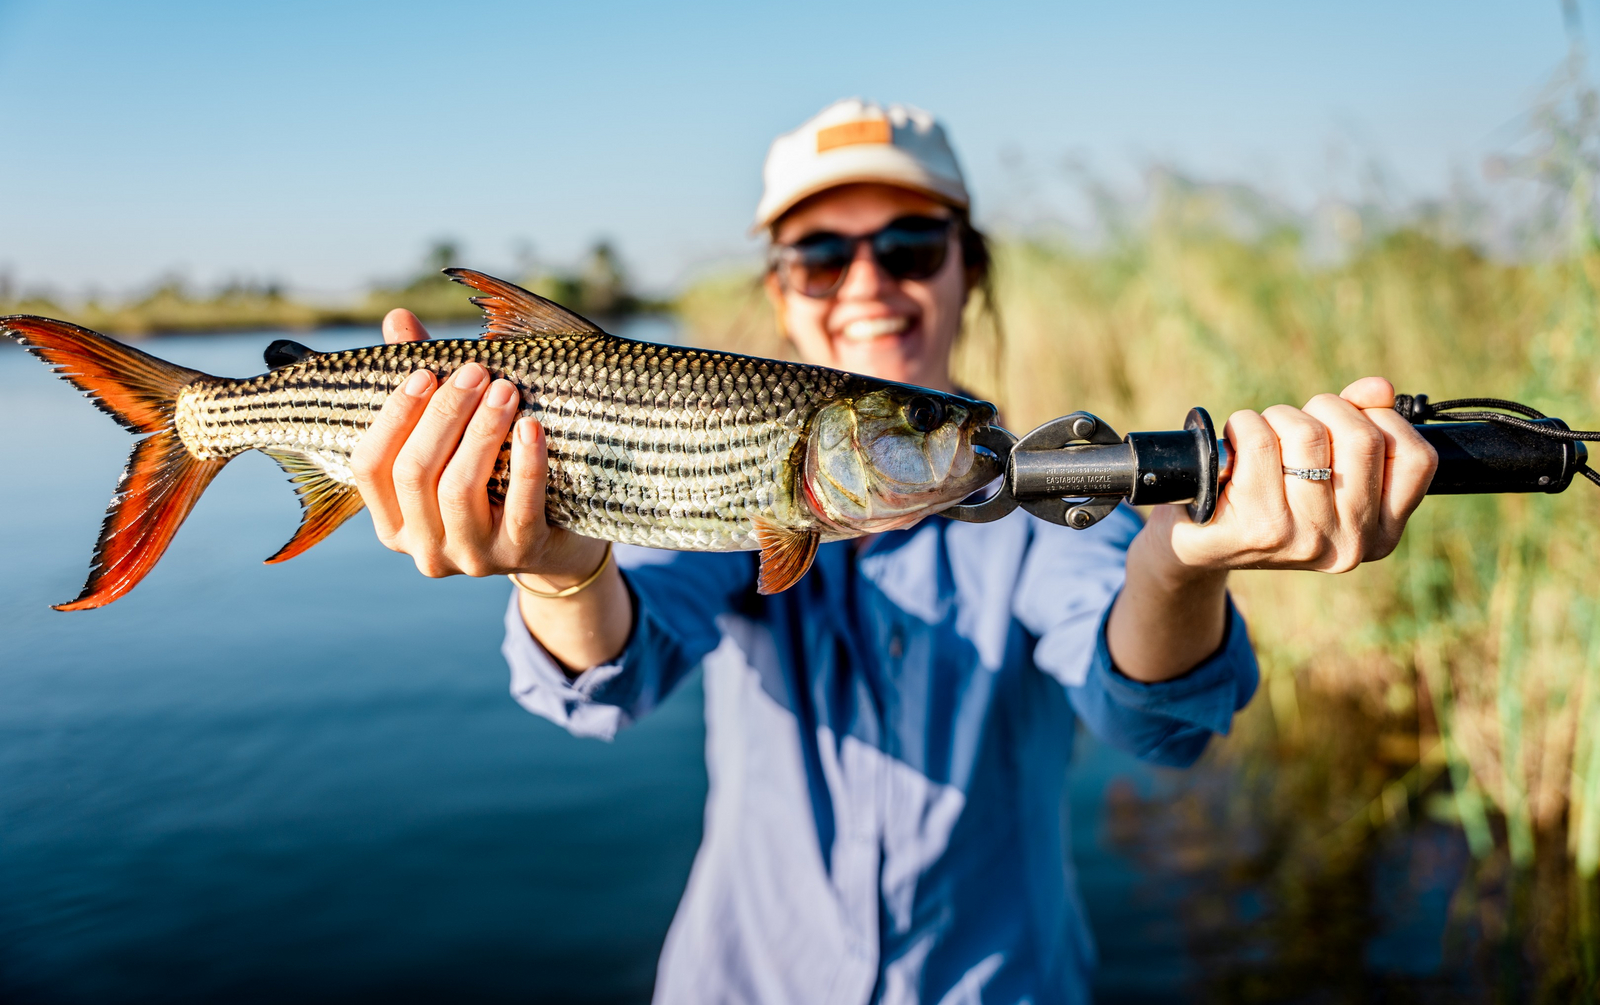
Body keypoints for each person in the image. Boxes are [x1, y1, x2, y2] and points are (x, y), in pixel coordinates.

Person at [349, 99, 1438, 1004]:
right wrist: (555, 562)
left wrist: (1181, 560)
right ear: (780, 289)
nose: (866, 281)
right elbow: (611, 671)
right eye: (819, 255)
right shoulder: (720, 468)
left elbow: (1151, 712)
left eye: (907, 246)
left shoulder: (1052, 482)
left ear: (971, 269)